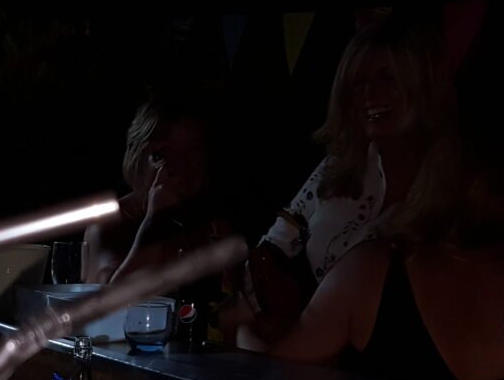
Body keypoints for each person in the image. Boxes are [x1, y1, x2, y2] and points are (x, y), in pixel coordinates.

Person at [242, 18, 455, 334]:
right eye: (358, 83)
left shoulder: (458, 183)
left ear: (423, 85)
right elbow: (270, 248)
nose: (370, 94)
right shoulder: (338, 167)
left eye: (387, 79)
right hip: (312, 348)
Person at [82, 90, 231, 286]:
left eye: (193, 152)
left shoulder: (212, 227)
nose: (182, 166)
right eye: (164, 154)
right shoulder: (108, 224)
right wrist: (155, 221)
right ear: (138, 158)